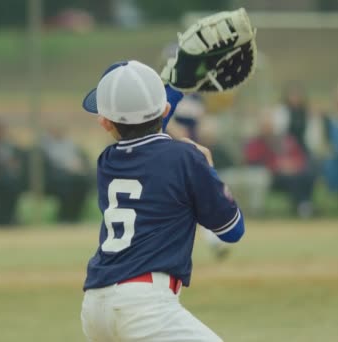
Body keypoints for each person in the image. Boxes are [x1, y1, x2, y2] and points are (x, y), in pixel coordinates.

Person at [80, 60, 245, 341]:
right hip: (145, 306)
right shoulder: (186, 159)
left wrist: (174, 88)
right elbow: (232, 231)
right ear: (166, 110)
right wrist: (209, 169)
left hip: (95, 306)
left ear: (105, 122)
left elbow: (149, 135)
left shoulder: (107, 161)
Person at [245, 113, 316, 218]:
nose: (267, 128)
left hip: (294, 170)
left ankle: (305, 204)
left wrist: (293, 164)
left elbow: (300, 156)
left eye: (269, 125)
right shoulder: (256, 143)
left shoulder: (285, 139)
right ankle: (302, 207)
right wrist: (278, 166)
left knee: (307, 175)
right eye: (264, 126)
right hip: (273, 176)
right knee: (293, 180)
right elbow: (253, 163)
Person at [40, 125, 92, 223]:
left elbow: (81, 158)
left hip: (74, 175)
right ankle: (64, 216)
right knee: (68, 185)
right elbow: (48, 164)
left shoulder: (70, 143)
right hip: (55, 178)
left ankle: (75, 216)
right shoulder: (45, 145)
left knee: (83, 183)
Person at [0, 120, 29, 226]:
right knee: (3, 185)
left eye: (1, 131)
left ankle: (10, 217)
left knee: (13, 184)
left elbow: (18, 158)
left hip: (9, 178)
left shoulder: (8, 145)